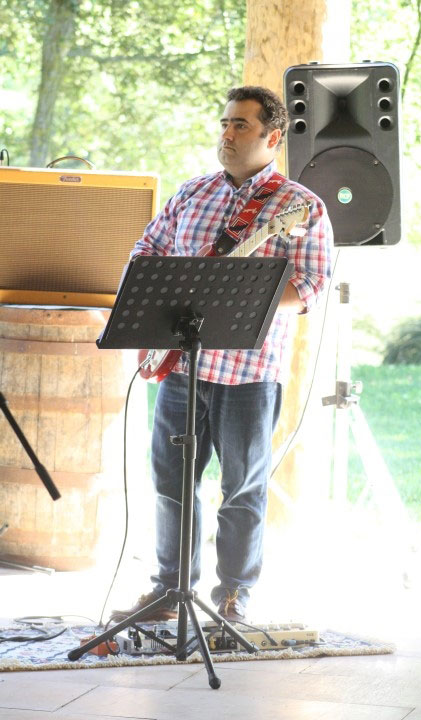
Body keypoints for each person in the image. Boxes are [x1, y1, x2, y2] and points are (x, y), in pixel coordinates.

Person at [113, 85, 333, 624]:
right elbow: (147, 250)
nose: (227, 134)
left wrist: (242, 297)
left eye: (241, 125)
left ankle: (234, 598)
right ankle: (169, 591)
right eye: (225, 123)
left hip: (249, 373)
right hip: (181, 367)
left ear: (272, 137)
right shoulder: (192, 192)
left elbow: (311, 282)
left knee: (241, 489)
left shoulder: (300, 206)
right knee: (171, 483)